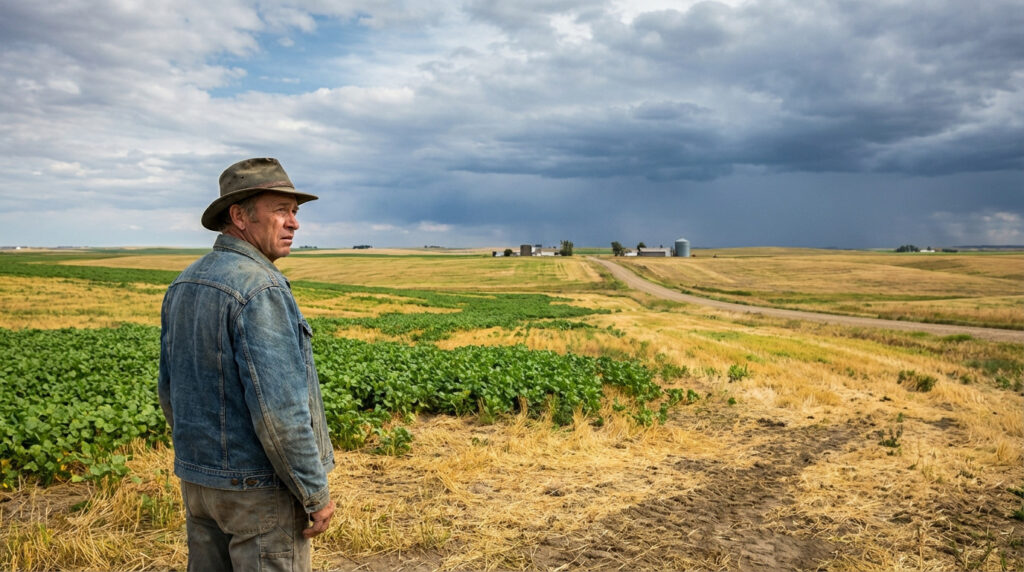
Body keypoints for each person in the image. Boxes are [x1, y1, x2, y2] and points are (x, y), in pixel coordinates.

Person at [158, 157, 336, 571]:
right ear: (239, 216)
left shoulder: (184, 282)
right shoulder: (261, 288)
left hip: (202, 486)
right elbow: (281, 413)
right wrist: (314, 492)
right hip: (259, 494)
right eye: (280, 210)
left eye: (295, 212)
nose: (294, 223)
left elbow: (170, 392)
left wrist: (202, 466)